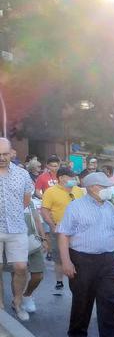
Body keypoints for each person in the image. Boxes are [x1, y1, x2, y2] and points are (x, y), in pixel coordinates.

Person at [57, 171, 114, 337]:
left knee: (109, 298)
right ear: (93, 187)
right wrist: (66, 262)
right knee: (82, 298)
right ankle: (77, 333)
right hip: (82, 259)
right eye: (105, 187)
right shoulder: (76, 207)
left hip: (108, 259)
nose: (108, 190)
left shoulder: (111, 207)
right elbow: (63, 235)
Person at [0, 137, 40, 320]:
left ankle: (17, 302)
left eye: (5, 154)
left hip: (17, 227)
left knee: (21, 267)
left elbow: (26, 200)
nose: (2, 157)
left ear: (11, 153)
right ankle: (0, 305)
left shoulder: (22, 174)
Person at [41, 167, 84, 295]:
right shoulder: (51, 192)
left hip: (78, 230)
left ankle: (79, 280)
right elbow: (44, 210)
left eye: (74, 177)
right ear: (61, 178)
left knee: (78, 255)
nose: (73, 180)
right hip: (59, 230)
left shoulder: (78, 190)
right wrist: (51, 225)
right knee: (59, 257)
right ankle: (59, 282)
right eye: (70, 178)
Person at [2, 201, 48, 315]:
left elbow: (37, 221)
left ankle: (27, 295)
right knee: (17, 272)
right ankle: (17, 301)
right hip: (14, 243)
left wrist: (44, 239)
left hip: (32, 242)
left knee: (38, 275)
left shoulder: (30, 202)